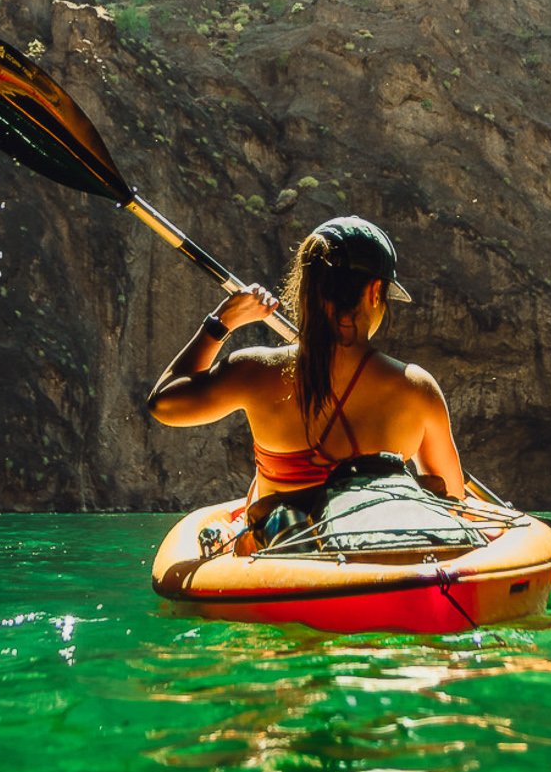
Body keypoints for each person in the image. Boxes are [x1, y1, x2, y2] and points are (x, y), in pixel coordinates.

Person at [146, 216, 467, 548]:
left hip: (281, 555)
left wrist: (221, 322)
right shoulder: (416, 387)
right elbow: (452, 499)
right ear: (375, 292)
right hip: (374, 557)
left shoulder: (255, 369)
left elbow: (164, 404)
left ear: (306, 291)